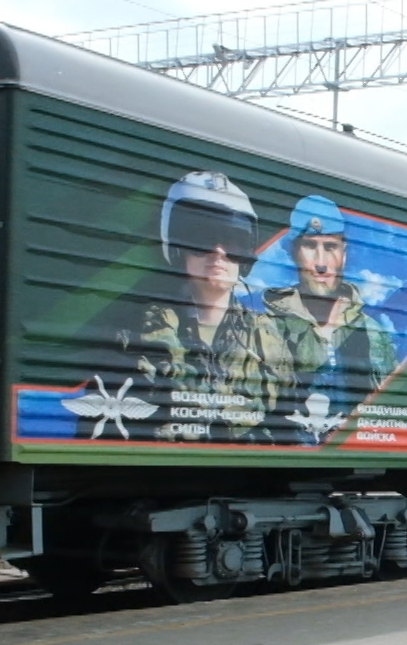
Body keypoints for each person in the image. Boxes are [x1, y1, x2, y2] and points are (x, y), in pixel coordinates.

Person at [112, 171, 294, 444]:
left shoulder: (269, 339)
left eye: (233, 240)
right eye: (201, 236)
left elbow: (288, 423)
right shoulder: (135, 334)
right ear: (176, 248)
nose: (218, 252)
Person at [262, 196, 397, 440]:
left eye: (331, 247)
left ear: (344, 255)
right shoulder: (268, 326)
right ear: (294, 253)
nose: (321, 263)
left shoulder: (372, 332)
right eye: (310, 246)